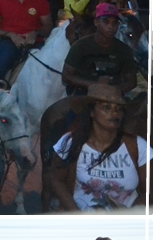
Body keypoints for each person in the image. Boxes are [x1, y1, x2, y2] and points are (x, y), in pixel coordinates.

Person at [51, 83, 151, 211]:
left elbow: (151, 190)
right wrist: (76, 216)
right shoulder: (71, 142)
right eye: (106, 108)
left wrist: (129, 216)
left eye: (119, 108)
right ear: (92, 112)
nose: (115, 113)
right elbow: (57, 179)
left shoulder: (138, 146)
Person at [62, 2, 138, 96]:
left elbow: (132, 81)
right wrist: (94, 86)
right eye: (106, 22)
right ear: (96, 22)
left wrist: (115, 90)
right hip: (83, 96)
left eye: (114, 23)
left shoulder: (124, 50)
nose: (110, 27)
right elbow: (66, 76)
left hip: (113, 98)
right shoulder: (80, 46)